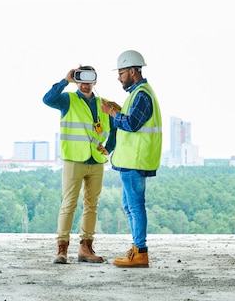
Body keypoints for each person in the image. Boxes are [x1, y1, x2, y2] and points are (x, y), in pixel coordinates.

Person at [43, 65, 117, 264]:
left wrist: (109, 147)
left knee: (91, 205)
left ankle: (86, 247)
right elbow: (47, 99)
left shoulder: (105, 103)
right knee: (69, 204)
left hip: (96, 161)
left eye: (89, 80)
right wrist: (65, 80)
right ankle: (62, 249)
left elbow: (116, 125)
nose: (85, 85)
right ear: (77, 80)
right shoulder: (67, 100)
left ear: (95, 81)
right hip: (74, 160)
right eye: (80, 80)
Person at [101, 50, 162, 268]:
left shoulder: (142, 95)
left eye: (121, 72)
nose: (119, 77)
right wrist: (117, 111)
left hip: (135, 161)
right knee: (129, 206)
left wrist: (111, 112)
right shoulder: (137, 94)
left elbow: (131, 124)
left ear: (133, 71)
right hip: (130, 161)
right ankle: (137, 248)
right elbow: (131, 120)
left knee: (135, 206)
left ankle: (140, 252)